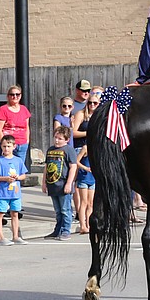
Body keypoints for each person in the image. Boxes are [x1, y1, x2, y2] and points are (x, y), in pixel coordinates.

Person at [70, 89, 101, 228]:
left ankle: (88, 223)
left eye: (95, 103)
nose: (92, 105)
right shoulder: (81, 114)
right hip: (81, 149)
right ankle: (81, 220)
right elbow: (74, 133)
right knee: (79, 185)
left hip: (94, 150)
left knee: (91, 198)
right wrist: (87, 133)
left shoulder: (99, 116)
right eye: (90, 103)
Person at [0, 134, 28, 245]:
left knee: (15, 213)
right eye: (4, 146)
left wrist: (18, 177)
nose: (6, 148)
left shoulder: (18, 161)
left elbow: (23, 175)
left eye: (8, 146)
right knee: (0, 213)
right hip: (3, 193)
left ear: (14, 146)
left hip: (15, 193)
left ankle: (15, 236)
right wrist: (5, 179)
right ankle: (0, 237)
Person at [42, 125, 78, 240]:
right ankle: (57, 230)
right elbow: (47, 167)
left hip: (63, 184)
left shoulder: (69, 150)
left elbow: (73, 167)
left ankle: (66, 230)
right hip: (53, 184)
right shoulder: (51, 150)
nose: (57, 140)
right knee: (58, 211)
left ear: (67, 139)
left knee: (65, 210)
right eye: (55, 137)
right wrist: (44, 182)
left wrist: (69, 183)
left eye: (60, 138)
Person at [0, 85, 31, 163]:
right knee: (5, 167)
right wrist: (5, 145)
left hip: (21, 145)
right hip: (7, 145)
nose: (15, 96)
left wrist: (27, 140)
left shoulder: (24, 109)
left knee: (18, 168)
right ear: (8, 96)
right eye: (12, 94)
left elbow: (26, 126)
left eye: (17, 94)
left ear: (20, 96)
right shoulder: (3, 109)